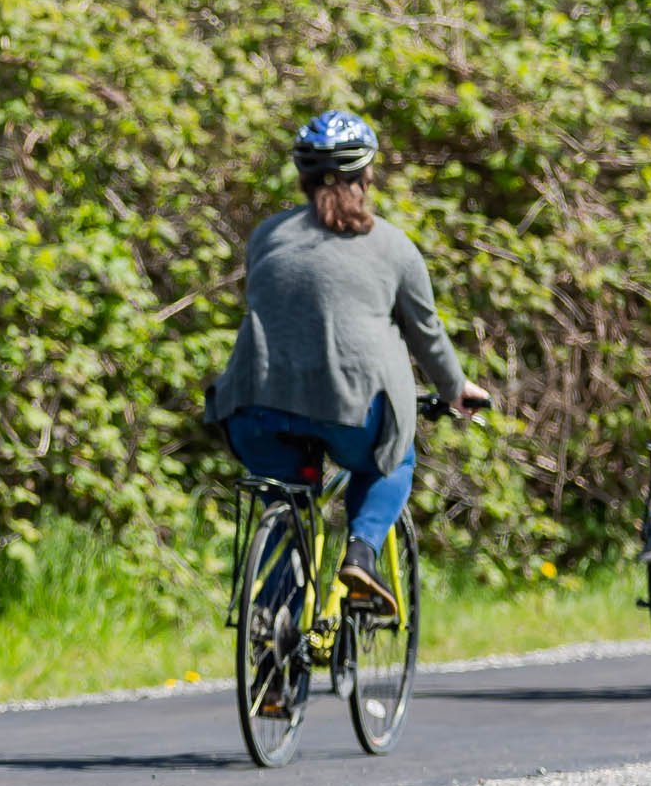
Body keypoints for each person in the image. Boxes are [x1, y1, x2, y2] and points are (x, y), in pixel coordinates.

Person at [205, 110, 490, 659]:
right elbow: (426, 336)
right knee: (393, 456)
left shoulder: (266, 236)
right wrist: (457, 390)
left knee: (286, 505)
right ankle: (360, 555)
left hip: (254, 407)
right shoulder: (394, 247)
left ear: (302, 177)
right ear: (367, 176)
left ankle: (272, 654)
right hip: (352, 409)